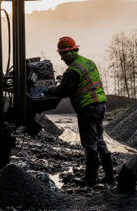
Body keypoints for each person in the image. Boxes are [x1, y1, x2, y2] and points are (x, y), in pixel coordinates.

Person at [46, 36, 114, 185]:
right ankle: (110, 176)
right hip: (100, 104)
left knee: (89, 143)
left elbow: (63, 91)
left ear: (70, 52)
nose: (62, 58)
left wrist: (51, 89)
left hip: (87, 107)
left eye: (63, 55)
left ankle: (90, 178)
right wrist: (64, 79)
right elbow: (82, 81)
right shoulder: (87, 62)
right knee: (99, 140)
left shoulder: (73, 70)